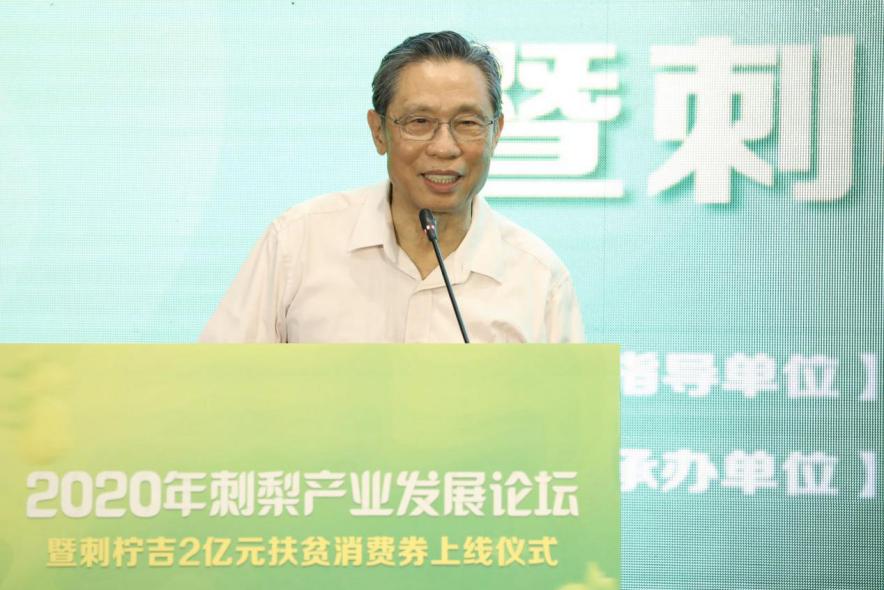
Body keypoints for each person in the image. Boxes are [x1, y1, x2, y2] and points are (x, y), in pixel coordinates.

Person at [200, 31, 584, 343]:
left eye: (467, 123)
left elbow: (568, 413)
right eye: (419, 122)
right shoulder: (298, 244)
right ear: (378, 131)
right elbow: (216, 385)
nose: (444, 147)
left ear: (496, 132)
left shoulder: (538, 279)